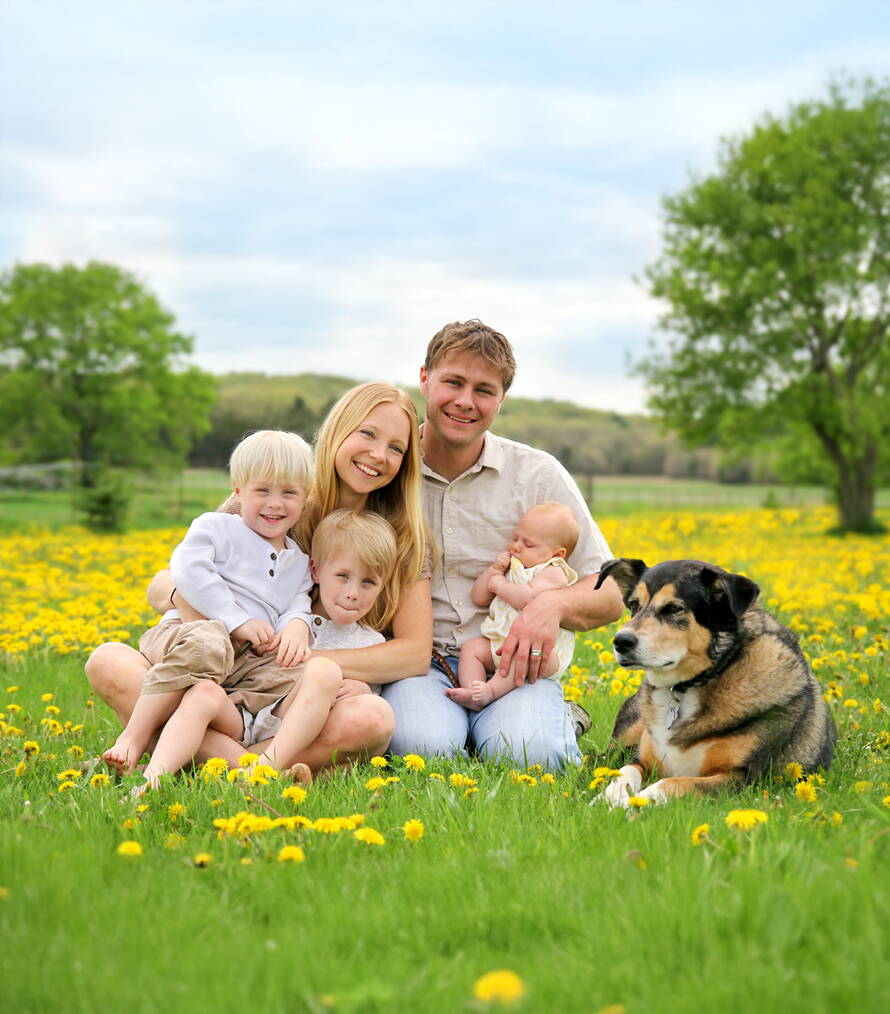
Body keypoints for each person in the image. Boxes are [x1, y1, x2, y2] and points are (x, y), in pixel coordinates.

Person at [85, 383, 432, 774]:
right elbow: (165, 583)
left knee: (371, 719)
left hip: (294, 693)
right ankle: (258, 771)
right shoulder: (276, 498)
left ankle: (197, 756)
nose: (377, 454)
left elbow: (414, 653)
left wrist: (295, 662)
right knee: (108, 662)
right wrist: (224, 621)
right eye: (367, 434)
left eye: (396, 448)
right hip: (218, 666)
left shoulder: (400, 534)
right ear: (339, 429)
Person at [381, 319, 624, 769]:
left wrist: (548, 607)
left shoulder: (538, 475)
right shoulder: (386, 463)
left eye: (484, 390)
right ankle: (470, 725)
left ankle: (546, 722)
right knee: (423, 749)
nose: (465, 401)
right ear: (424, 378)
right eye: (452, 382)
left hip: (511, 663)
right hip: (417, 661)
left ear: (501, 399)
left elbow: (611, 592)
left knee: (535, 757)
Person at [101, 428, 322, 788]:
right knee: (210, 640)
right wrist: (236, 621)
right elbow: (188, 570)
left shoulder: (299, 561)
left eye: (289, 493)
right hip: (187, 636)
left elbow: (299, 599)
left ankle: (251, 753)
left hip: (247, 662)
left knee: (308, 673)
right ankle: (134, 738)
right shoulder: (217, 528)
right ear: (238, 491)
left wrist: (297, 625)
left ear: (305, 498)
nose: (275, 503)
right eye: (262, 490)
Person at [445, 502, 579, 711]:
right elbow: (478, 597)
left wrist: (500, 584)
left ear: (557, 554)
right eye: (515, 538)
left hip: (539, 652)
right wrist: (494, 571)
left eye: (529, 544)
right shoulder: (513, 565)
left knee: (521, 654)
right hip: (500, 643)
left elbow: (527, 598)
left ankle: (491, 691)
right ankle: (473, 690)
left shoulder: (553, 571)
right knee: (472, 649)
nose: (516, 546)